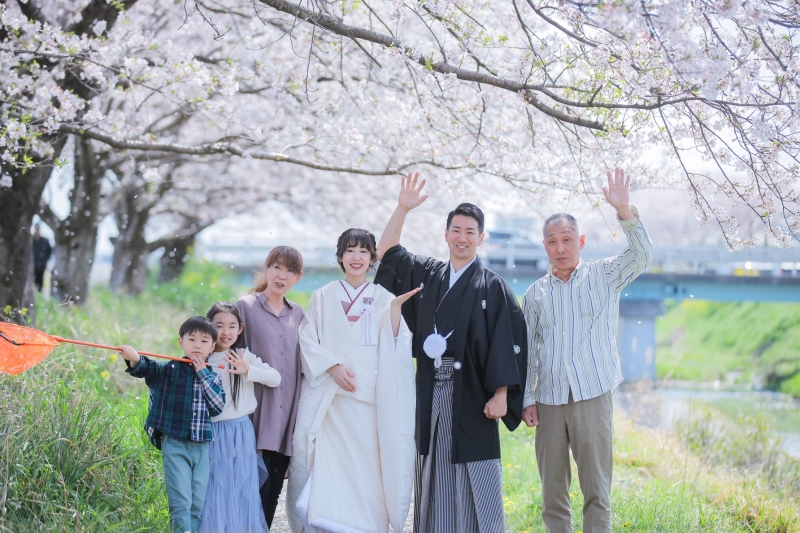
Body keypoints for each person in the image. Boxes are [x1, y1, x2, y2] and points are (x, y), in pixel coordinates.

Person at [374, 174, 528, 533]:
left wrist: (503, 394)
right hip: (431, 388)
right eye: (456, 230)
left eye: (470, 231)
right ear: (445, 234)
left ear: (481, 238)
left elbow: (508, 341)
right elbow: (387, 254)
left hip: (474, 396)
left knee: (477, 471)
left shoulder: (492, 286)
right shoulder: (427, 274)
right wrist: (403, 207)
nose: (462, 237)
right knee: (433, 468)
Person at [521, 168, 654, 533]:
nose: (560, 247)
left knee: (596, 491)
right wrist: (528, 397)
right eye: (552, 241)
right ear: (545, 246)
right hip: (548, 400)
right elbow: (530, 351)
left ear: (580, 241)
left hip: (593, 395)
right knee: (553, 492)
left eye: (566, 239)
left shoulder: (605, 274)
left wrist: (624, 211)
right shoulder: (535, 293)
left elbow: (643, 255)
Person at [286, 229, 418, 533]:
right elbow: (307, 339)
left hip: (366, 404)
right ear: (340, 257)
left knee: (366, 474)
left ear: (373, 258)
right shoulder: (323, 296)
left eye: (363, 251)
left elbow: (397, 348)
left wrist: (396, 314)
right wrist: (332, 366)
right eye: (350, 251)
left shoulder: (385, 299)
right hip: (330, 405)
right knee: (328, 471)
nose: (356, 257)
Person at [118, 316, 225, 533]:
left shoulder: (213, 376)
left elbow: (217, 406)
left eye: (204, 341)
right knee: (181, 502)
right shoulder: (170, 370)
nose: (197, 345)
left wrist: (202, 372)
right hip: (175, 443)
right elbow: (149, 369)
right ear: (181, 342)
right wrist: (135, 358)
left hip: (201, 446)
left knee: (196, 503)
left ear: (212, 346)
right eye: (192, 339)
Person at [235, 246, 305, 528]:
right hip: (253, 416)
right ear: (266, 269)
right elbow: (231, 353)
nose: (281, 275)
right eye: (276, 267)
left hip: (286, 418)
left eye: (290, 270)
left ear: (298, 277)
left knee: (272, 494)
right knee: (247, 493)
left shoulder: (299, 314)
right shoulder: (246, 307)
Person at [200, 301, 282, 533]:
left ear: (240, 329)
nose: (225, 332)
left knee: (240, 490)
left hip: (240, 433)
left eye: (231, 326)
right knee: (213, 490)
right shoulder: (201, 357)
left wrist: (248, 370)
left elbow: (275, 378)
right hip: (211, 434)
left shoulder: (243, 355)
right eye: (219, 326)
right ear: (208, 327)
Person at [32, 223, 52, 292]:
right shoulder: (31, 240)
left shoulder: (45, 241)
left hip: (41, 267)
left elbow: (49, 252)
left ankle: (39, 295)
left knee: (39, 283)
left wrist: (44, 261)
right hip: (32, 266)